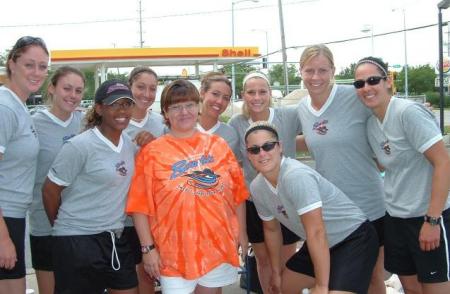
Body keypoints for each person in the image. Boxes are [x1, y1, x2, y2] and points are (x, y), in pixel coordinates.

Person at [126, 79, 248, 294]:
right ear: (165, 111)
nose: (184, 112)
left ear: (198, 106)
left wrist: (242, 234)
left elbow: (237, 195)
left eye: (189, 105)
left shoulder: (218, 145)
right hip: (172, 252)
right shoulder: (152, 152)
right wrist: (148, 249)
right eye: (175, 107)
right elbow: (139, 207)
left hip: (216, 246)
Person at [245, 121, 379, 294]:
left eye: (268, 146)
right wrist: (276, 273)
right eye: (254, 149)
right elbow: (271, 231)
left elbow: (316, 231)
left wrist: (322, 286)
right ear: (248, 155)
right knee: (284, 288)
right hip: (321, 243)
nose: (262, 153)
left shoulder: (296, 176)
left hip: (353, 238)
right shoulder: (257, 187)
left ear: (280, 147)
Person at [354, 56, 450, 294]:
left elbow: (443, 163)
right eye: (359, 84)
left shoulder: (408, 113)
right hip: (396, 218)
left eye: (373, 80)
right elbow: (385, 167)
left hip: (426, 217)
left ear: (388, 82)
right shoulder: (371, 125)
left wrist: (432, 220)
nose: (366, 88)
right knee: (411, 288)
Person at [296, 44, 386, 294]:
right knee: (339, 276)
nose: (316, 77)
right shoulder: (303, 109)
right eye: (310, 70)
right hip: (333, 209)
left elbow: (386, 114)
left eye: (323, 70)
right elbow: (319, 138)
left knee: (373, 278)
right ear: (300, 71)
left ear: (333, 70)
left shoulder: (354, 96)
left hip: (369, 204)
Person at [42, 80, 139, 294]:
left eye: (127, 103)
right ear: (99, 108)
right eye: (114, 104)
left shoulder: (130, 145)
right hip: (77, 240)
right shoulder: (80, 145)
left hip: (114, 236)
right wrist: (67, 230)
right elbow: (50, 190)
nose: (122, 110)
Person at [228, 71, 302, 293]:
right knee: (264, 260)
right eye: (251, 92)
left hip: (286, 199)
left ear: (270, 94)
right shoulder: (236, 123)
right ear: (243, 95)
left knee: (288, 260)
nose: (257, 97)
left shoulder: (288, 116)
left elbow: (319, 126)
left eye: (262, 91)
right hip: (255, 201)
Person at [30, 66, 85, 294]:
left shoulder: (86, 122)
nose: (73, 95)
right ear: (52, 88)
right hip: (45, 224)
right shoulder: (32, 124)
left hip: (81, 224)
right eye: (67, 88)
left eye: (79, 90)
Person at [0, 36, 49, 294]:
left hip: (14, 216)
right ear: (12, 64)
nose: (37, 72)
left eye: (43, 66)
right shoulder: (5, 107)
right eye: (30, 65)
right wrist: (3, 237)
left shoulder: (18, 107)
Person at [124, 66, 165, 294]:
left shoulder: (161, 123)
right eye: (140, 87)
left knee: (148, 275)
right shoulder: (115, 119)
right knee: (123, 279)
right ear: (130, 86)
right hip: (118, 215)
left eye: (152, 89)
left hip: (151, 215)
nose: (146, 94)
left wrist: (154, 146)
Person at [198, 72, 239, 154]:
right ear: (202, 93)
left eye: (226, 98)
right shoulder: (180, 127)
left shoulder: (230, 135)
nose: (220, 101)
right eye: (215, 94)